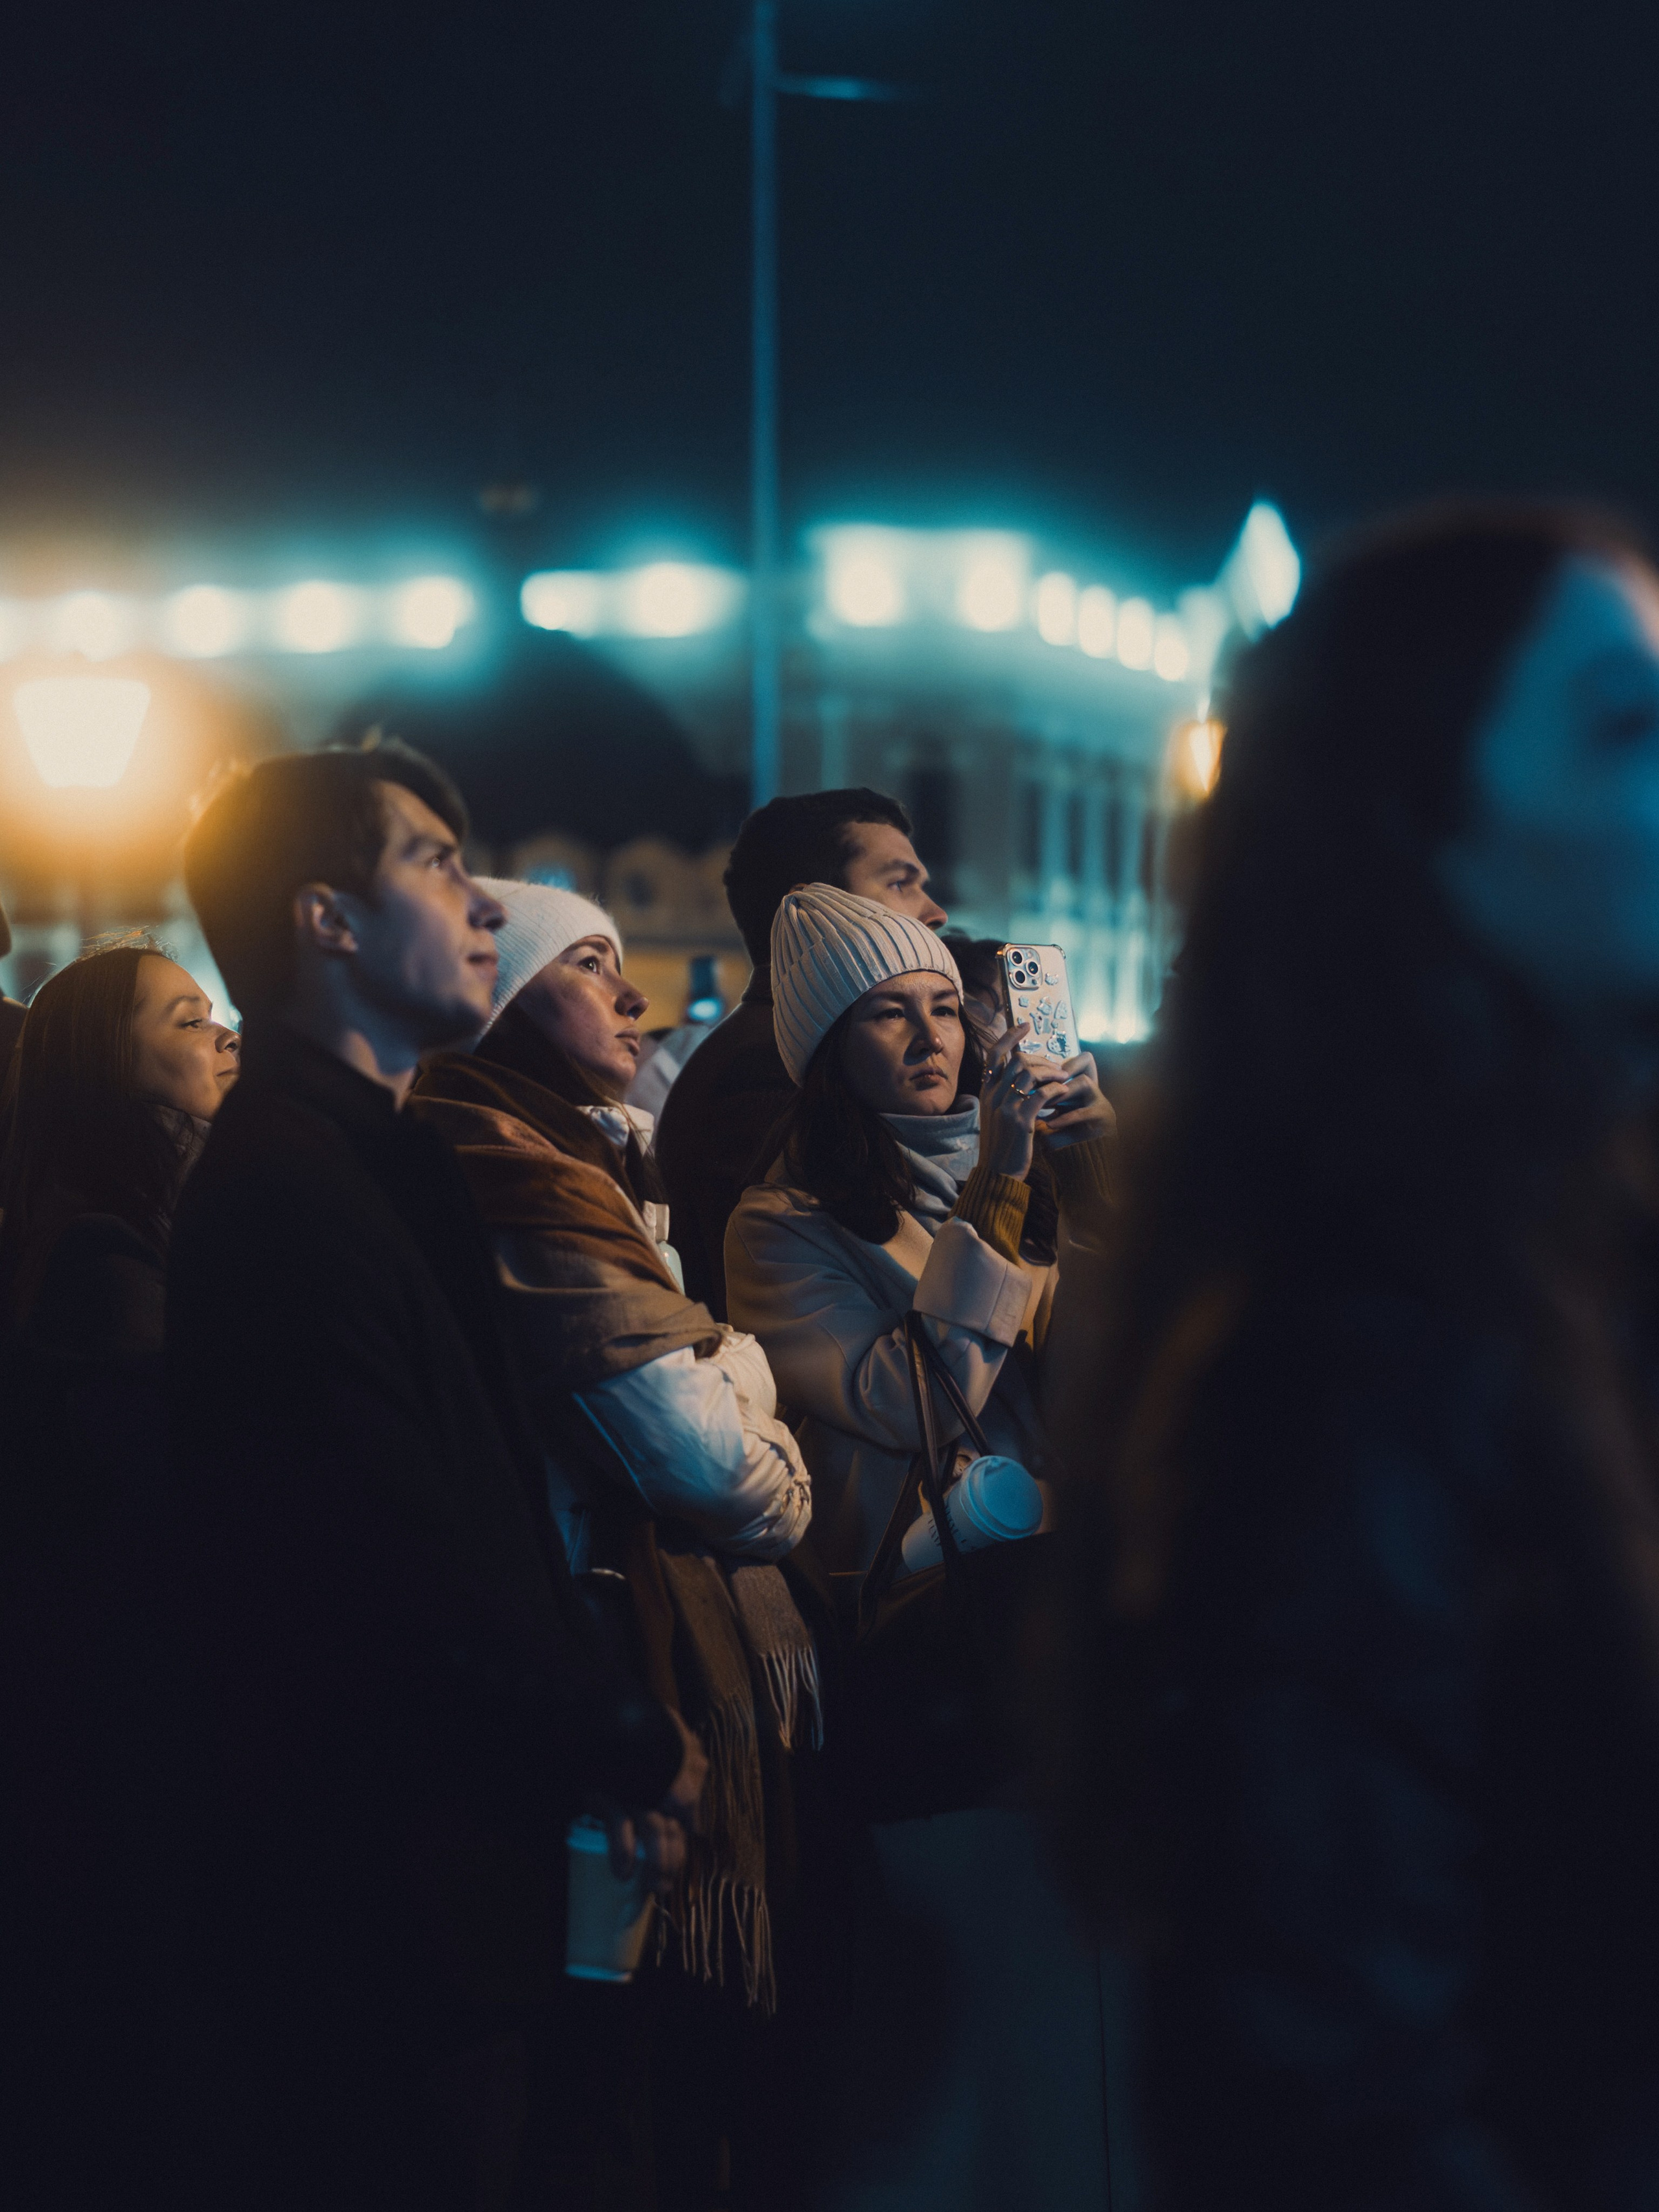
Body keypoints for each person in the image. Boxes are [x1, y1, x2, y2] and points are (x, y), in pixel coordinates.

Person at [1050, 504, 1659, 2209]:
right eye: (1624, 726)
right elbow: (1322, 2087)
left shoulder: (1567, 1272)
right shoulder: (1354, 1355)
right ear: (1419, 816)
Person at [167, 742, 705, 2211]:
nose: (481, 907)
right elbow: (395, 1542)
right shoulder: (285, 1186)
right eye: (434, 864)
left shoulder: (377, 1159)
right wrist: (619, 1730)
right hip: (383, 1902)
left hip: (447, 1870)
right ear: (323, 920)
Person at [407, 878, 818, 2207]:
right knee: (609, 2092)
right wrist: (747, 1377)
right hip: (602, 1675)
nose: (635, 988)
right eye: (588, 962)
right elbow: (714, 1471)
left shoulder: (592, 1162)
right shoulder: (517, 1178)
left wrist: (722, 1360)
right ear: (508, 1003)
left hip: (622, 1667)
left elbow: (708, 1382)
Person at [724, 882, 1117, 2209]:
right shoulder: (780, 1223)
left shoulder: (1023, 1166)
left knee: (1081, 2029)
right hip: (931, 1641)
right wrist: (1002, 1177)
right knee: (974, 2047)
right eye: (885, 1014)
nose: (930, 1038)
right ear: (824, 1047)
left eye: (945, 1005)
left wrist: (1094, 1170)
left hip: (1058, 1625)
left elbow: (1122, 1367)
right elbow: (911, 1394)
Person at [0, 939, 238, 2202]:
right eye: (188, 1016)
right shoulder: (106, 1254)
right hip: (129, 1726)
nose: (221, 1034)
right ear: (108, 1060)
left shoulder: (124, 1225)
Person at [656, 788, 946, 1320]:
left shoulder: (794, 1049)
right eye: (900, 882)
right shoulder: (769, 1070)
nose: (936, 914)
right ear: (808, 911)